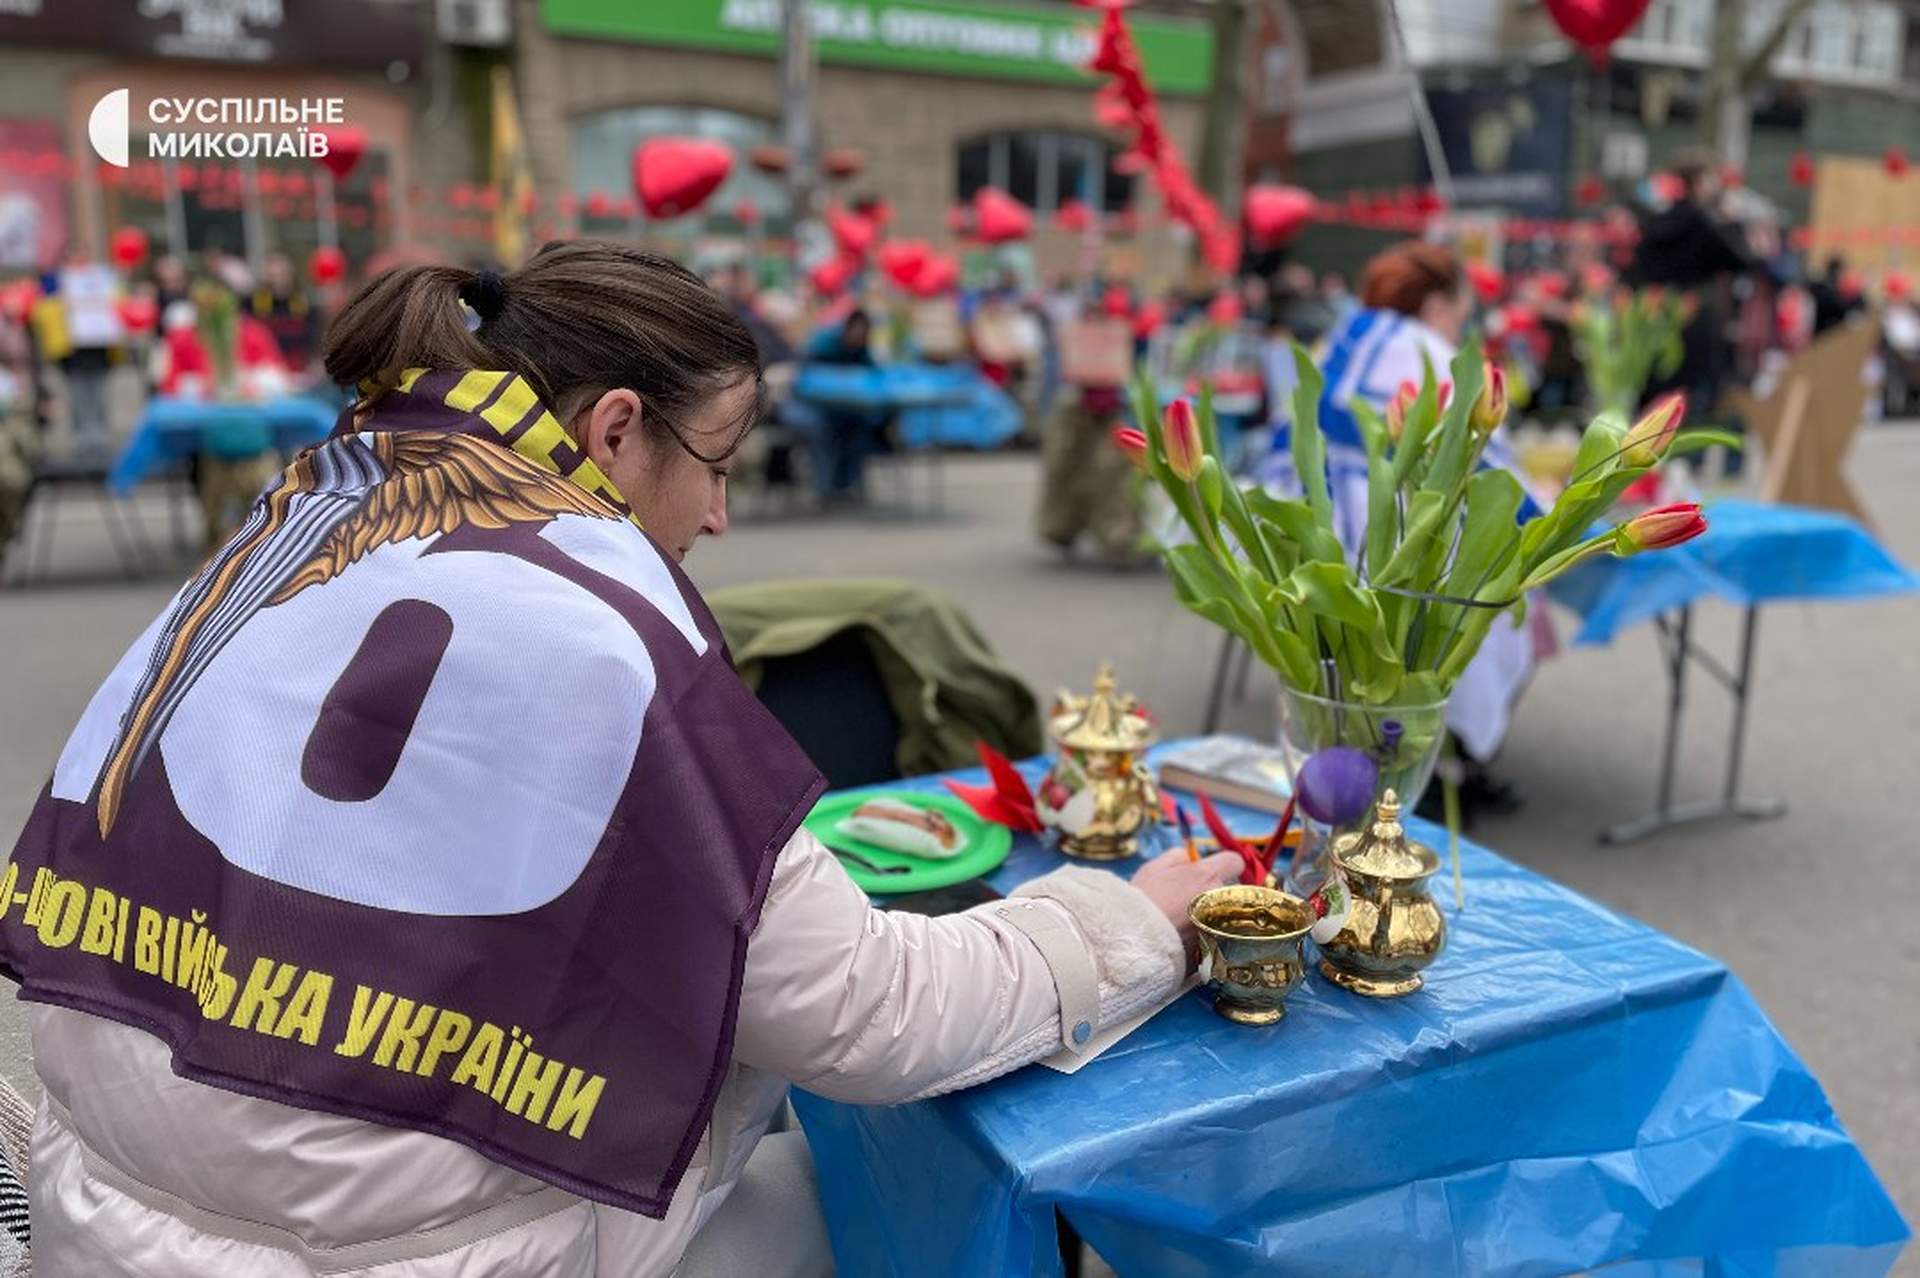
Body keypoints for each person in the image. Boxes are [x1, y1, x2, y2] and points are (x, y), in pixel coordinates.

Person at [2, 239, 1242, 1276]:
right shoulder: (593, 626)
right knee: (877, 1199)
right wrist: (1133, 925)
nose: (719, 517)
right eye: (716, 466)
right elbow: (872, 1016)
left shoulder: (312, 505)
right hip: (398, 1256)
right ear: (613, 430)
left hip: (94, 1219)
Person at [1257, 241, 1543, 805]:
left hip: (1309, 550)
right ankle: (1437, 769)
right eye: (1461, 313)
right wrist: (1553, 522)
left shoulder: (1346, 334)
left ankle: (1407, 767)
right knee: (1498, 604)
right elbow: (1487, 474)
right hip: (1391, 554)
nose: (1461, 327)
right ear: (1436, 305)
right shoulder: (1426, 350)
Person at [1631, 149, 1768, 413]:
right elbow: (1741, 260)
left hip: (1655, 310)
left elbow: (1641, 264)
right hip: (1697, 312)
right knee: (1695, 387)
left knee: (1658, 380)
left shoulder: (1655, 221)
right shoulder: (1706, 223)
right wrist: (1734, 225)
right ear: (1700, 182)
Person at [799, 306, 886, 500]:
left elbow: (874, 373)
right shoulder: (826, 344)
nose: (859, 336)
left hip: (849, 410)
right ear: (848, 328)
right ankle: (826, 488)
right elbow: (808, 374)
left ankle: (846, 484)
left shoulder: (861, 349)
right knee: (827, 432)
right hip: (819, 409)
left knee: (860, 428)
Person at [248, 252, 320, 376]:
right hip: (266, 369)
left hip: (299, 368)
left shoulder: (304, 303)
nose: (277, 280)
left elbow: (312, 338)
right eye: (272, 276)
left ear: (291, 275)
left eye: (282, 274)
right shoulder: (254, 303)